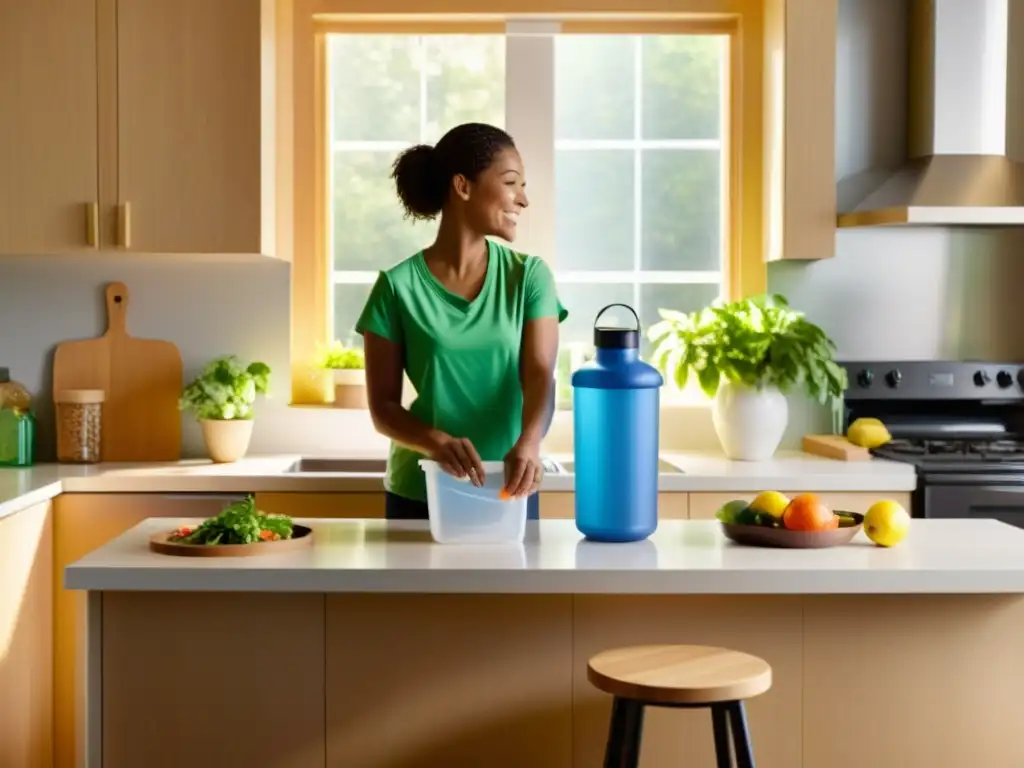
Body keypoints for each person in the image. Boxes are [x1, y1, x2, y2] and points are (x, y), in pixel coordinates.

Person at [355, 122, 568, 520]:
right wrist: (435, 442)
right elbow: (383, 407)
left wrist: (529, 442)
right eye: (511, 183)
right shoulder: (396, 287)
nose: (523, 200)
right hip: (419, 490)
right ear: (463, 186)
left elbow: (540, 373)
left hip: (508, 484)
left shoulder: (529, 278)